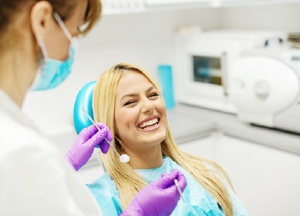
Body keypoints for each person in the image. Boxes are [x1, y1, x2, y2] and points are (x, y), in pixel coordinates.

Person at [0, 1, 187, 215]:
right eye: (76, 29)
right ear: (42, 20)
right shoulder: (21, 153)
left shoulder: (202, 173)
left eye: (153, 94)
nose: (72, 47)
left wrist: (65, 165)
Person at [87, 62, 250, 215]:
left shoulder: (202, 174)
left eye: (153, 95)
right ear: (109, 123)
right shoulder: (101, 198)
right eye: (130, 102)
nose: (149, 106)